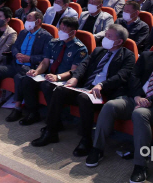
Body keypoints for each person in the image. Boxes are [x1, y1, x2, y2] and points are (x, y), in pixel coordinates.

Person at [86, 28, 153, 183]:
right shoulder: (147, 56)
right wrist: (138, 96)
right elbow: (133, 77)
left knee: (139, 114)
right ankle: (97, 149)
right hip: (135, 97)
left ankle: (141, 166)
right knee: (111, 106)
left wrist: (151, 100)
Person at [32, 24, 135, 156]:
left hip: (104, 92)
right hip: (86, 88)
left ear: (119, 41)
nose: (105, 38)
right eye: (106, 35)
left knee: (83, 98)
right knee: (59, 90)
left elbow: (122, 76)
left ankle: (86, 140)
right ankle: (51, 131)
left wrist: (102, 85)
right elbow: (83, 66)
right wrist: (75, 78)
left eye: (109, 36)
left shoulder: (128, 56)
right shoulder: (99, 51)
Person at [0, 11, 53, 116]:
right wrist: (17, 54)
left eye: (29, 19)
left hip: (29, 67)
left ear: (38, 21)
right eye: (26, 19)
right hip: (15, 64)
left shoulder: (46, 36)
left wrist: (29, 58)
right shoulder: (23, 32)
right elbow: (14, 46)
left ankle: (17, 108)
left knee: (19, 78)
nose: (27, 21)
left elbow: (46, 56)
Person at [19, 17, 88, 125]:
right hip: (49, 76)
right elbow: (45, 62)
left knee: (47, 86)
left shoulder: (80, 49)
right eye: (60, 28)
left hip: (64, 80)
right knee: (27, 80)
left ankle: (55, 121)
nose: (60, 32)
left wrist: (58, 77)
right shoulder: (54, 42)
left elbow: (74, 70)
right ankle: (33, 113)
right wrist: (36, 72)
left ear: (73, 32)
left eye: (64, 29)